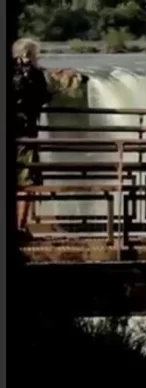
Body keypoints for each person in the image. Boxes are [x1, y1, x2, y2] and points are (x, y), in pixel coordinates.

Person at [13, 37, 53, 241]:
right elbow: (43, 97)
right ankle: (20, 226)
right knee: (26, 180)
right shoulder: (33, 73)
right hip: (26, 132)